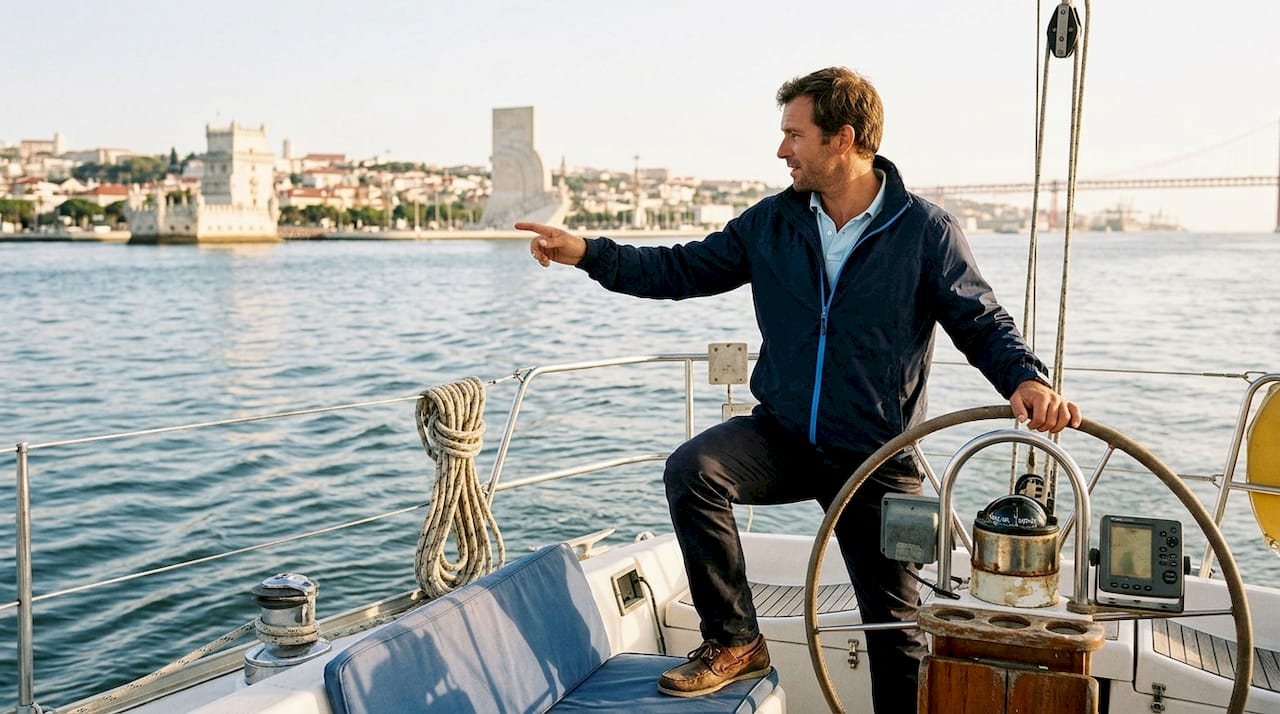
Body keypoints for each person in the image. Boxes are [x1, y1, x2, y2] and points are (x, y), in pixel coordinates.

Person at [517, 66, 1081, 712]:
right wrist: (586, 251)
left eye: (795, 135)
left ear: (843, 139)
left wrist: (1025, 379)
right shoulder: (771, 224)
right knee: (693, 470)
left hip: (876, 459)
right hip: (782, 436)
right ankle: (734, 641)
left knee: (896, 634)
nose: (782, 149)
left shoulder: (925, 231)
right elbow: (677, 268)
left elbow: (980, 321)